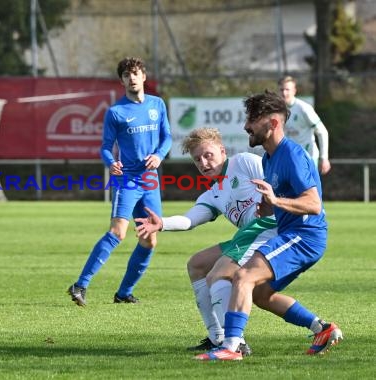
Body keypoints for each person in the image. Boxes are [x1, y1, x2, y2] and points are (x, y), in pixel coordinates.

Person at [195, 90, 343, 361]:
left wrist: (276, 199)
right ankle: (322, 328)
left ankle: (231, 346)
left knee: (242, 277)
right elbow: (282, 201)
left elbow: (313, 204)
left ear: (273, 123)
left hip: (304, 235)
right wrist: (268, 206)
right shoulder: (268, 158)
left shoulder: (292, 155)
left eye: (252, 119)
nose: (245, 126)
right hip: (292, 233)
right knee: (261, 293)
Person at [135, 127, 276, 357]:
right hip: (249, 237)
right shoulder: (213, 193)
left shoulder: (245, 162)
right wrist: (162, 223)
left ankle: (235, 342)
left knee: (218, 274)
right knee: (197, 264)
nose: (203, 162)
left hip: (272, 232)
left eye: (208, 155)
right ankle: (217, 337)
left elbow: (277, 185)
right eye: (197, 159)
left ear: (222, 150)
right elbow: (190, 220)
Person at [67, 56, 172, 306]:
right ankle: (80, 285)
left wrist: (158, 155)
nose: (132, 78)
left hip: (150, 181)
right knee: (118, 232)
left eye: (135, 73)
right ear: (122, 80)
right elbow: (105, 147)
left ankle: (124, 292)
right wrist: (110, 162)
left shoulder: (158, 104)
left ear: (143, 76)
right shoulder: (116, 112)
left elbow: (167, 137)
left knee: (150, 239)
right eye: (126, 75)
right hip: (128, 180)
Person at [278, 76, 331, 175]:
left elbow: (322, 132)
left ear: (294, 91)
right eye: (281, 89)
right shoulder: (278, 111)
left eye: (287, 89)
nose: (284, 93)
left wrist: (324, 158)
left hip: (307, 158)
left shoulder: (304, 108)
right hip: (289, 158)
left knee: (308, 190)